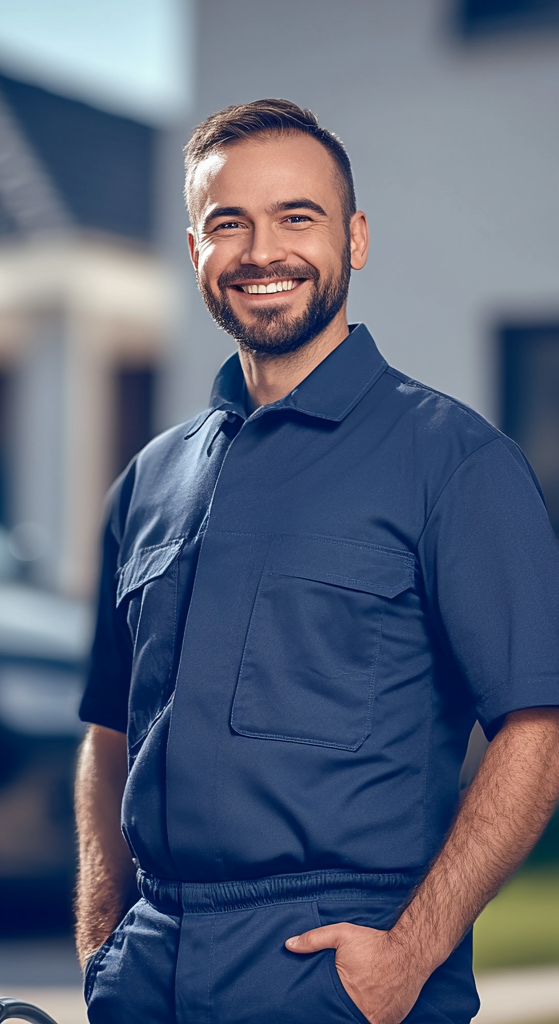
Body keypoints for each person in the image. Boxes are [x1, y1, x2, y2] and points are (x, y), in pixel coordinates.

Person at [74, 98, 559, 1024]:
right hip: (150, 975)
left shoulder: (454, 462)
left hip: (336, 977)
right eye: (230, 224)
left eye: (298, 217)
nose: (264, 252)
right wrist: (105, 945)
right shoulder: (150, 481)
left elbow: (536, 732)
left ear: (355, 239)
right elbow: (107, 735)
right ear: (194, 254)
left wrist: (408, 958)